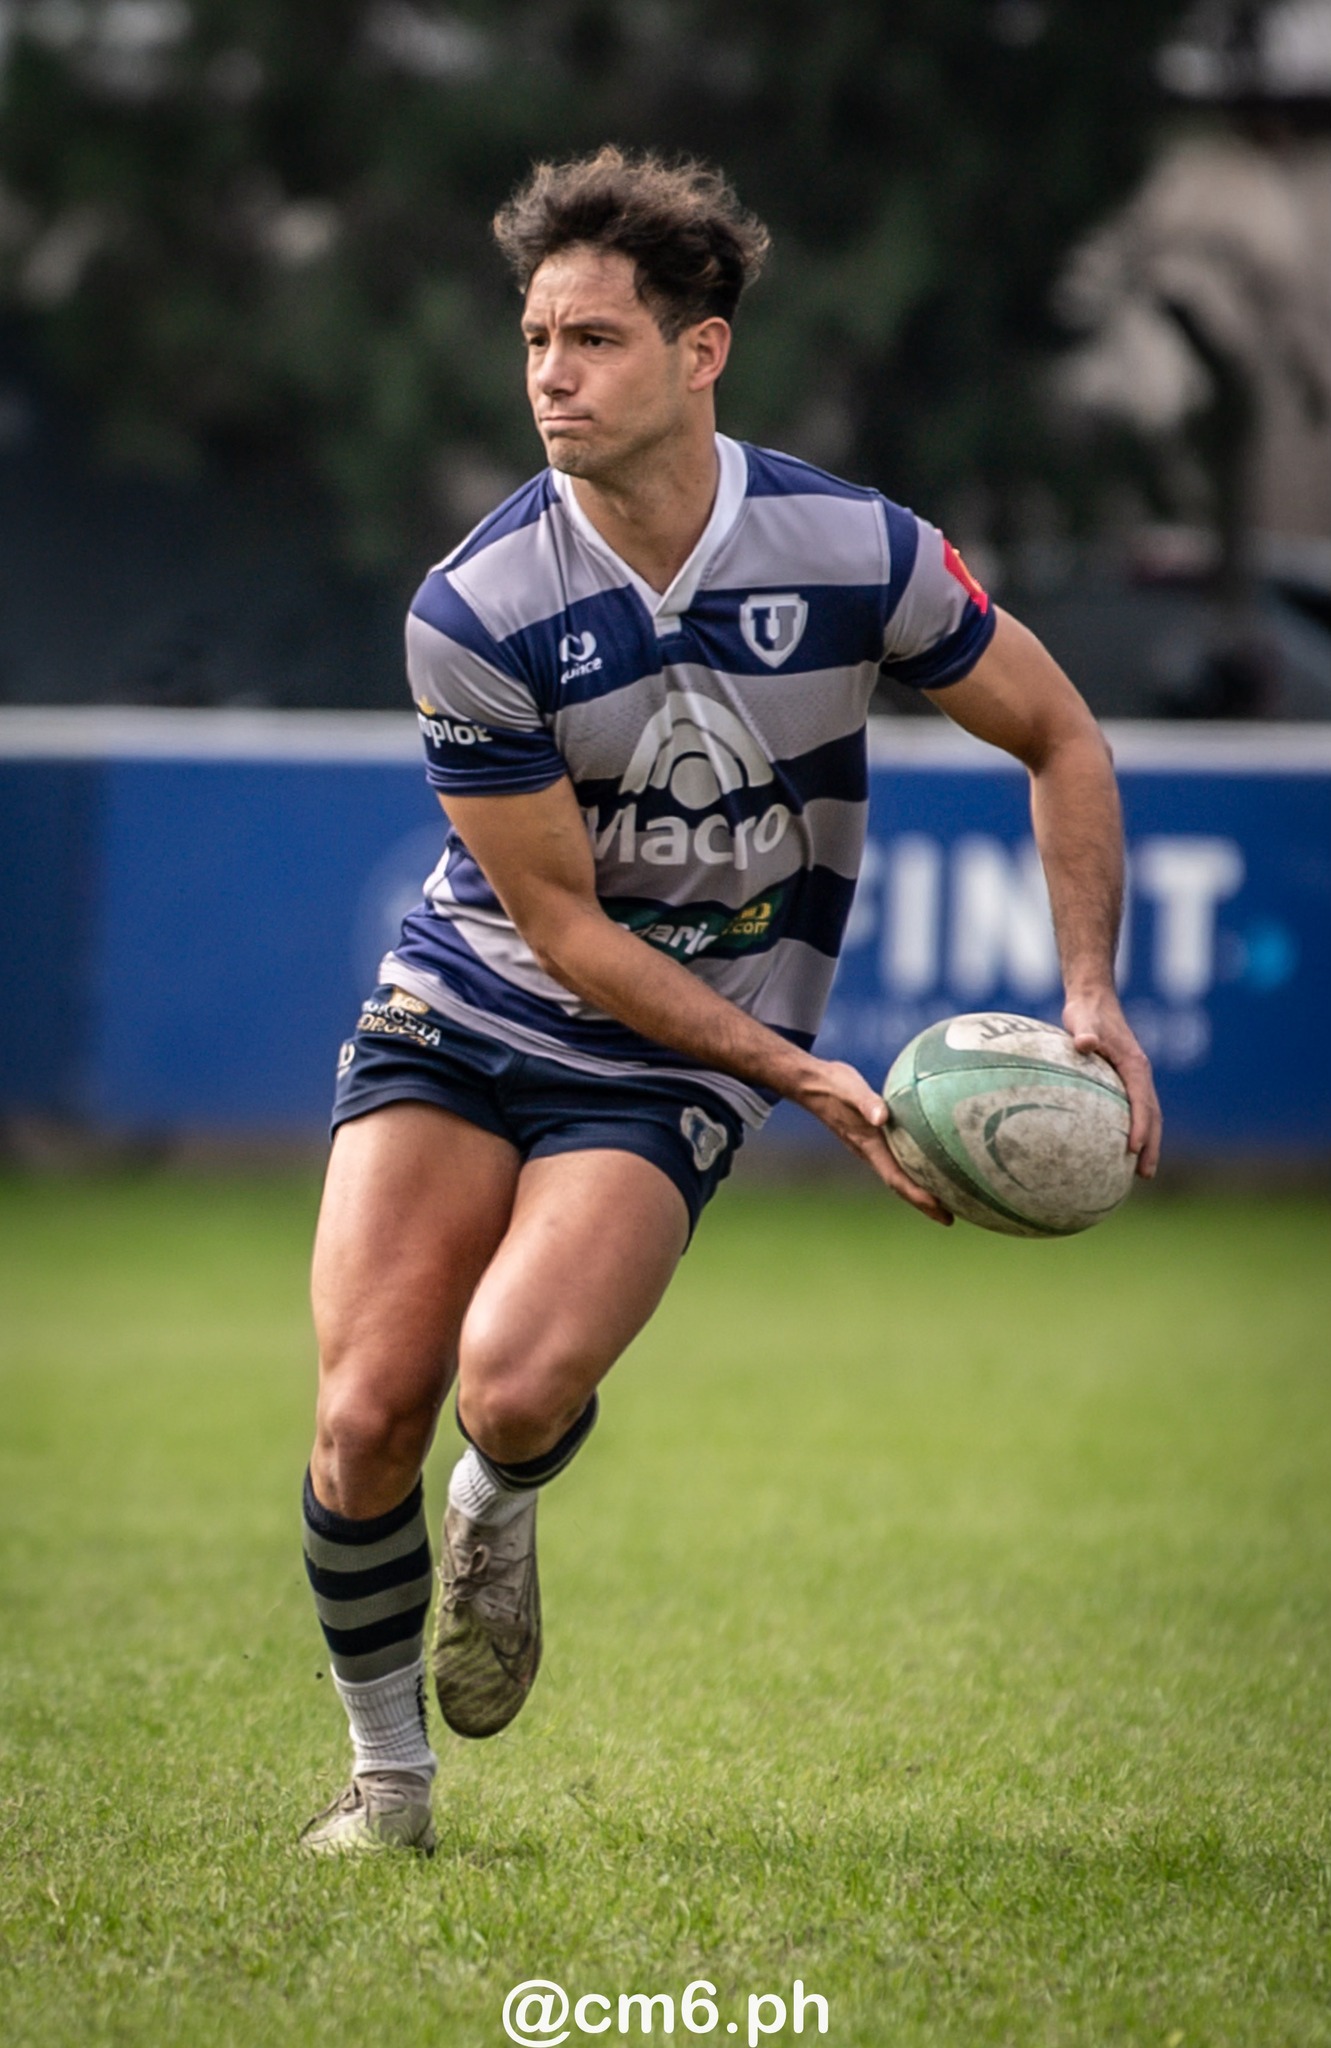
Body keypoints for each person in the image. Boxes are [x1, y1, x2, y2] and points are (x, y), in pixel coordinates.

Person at [298, 146, 1161, 1855]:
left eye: (594, 339)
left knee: (512, 1390)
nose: (550, 375)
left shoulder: (857, 549)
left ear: (702, 353)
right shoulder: (475, 606)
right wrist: (806, 1075)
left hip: (668, 1049)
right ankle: (387, 1785)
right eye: (535, 339)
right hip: (474, 1004)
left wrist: (1092, 988)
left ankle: (500, 1499)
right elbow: (561, 925)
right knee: (363, 1410)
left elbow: (1062, 735)